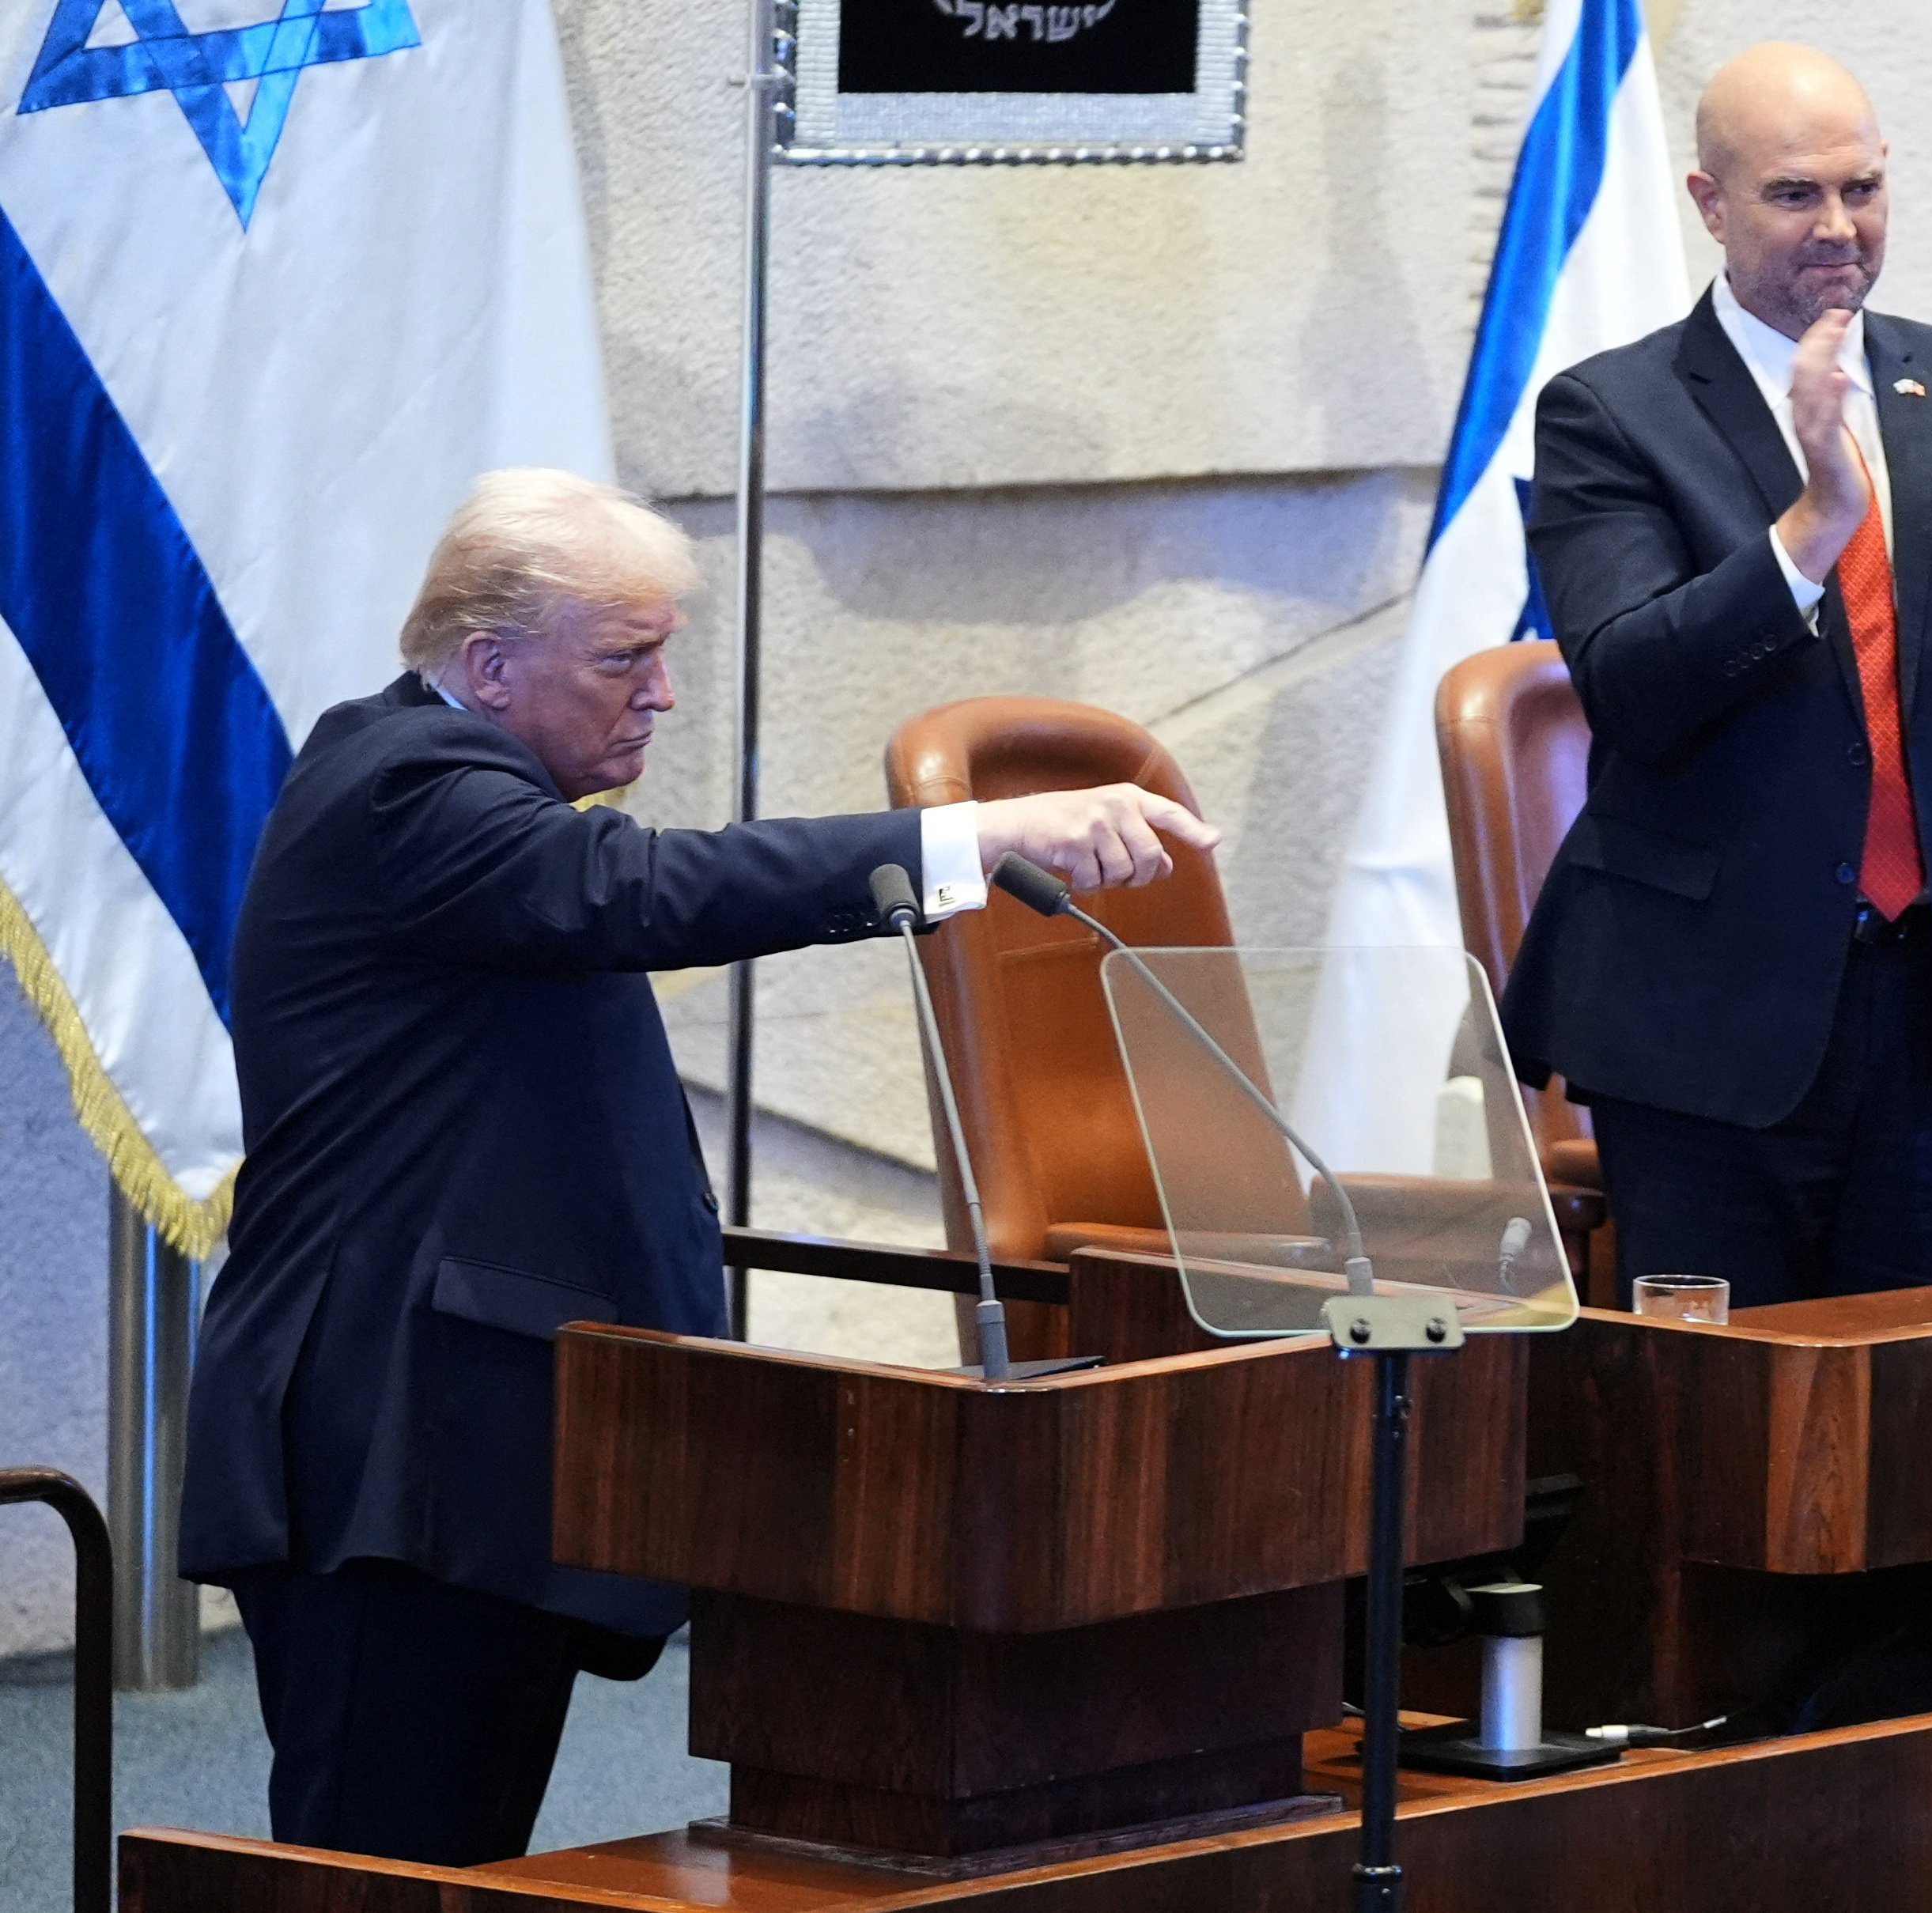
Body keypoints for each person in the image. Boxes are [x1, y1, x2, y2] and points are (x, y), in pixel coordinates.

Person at [179, 469, 1216, 1866]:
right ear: (489, 664)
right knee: (387, 1861)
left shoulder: (461, 776)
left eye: (662, 651)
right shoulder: (407, 785)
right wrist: (973, 838)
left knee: (464, 1857)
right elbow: (647, 892)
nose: (661, 693)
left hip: (469, 1437)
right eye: (623, 657)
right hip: (396, 1444)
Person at [1499, 43, 1932, 1305]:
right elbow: (1633, 681)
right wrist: (1811, 530)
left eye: (1864, 188)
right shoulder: (1611, 411)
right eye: (1796, 194)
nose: (1840, 226)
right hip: (1705, 1012)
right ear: (1709, 203)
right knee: (1722, 1425)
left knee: (1904, 1410)